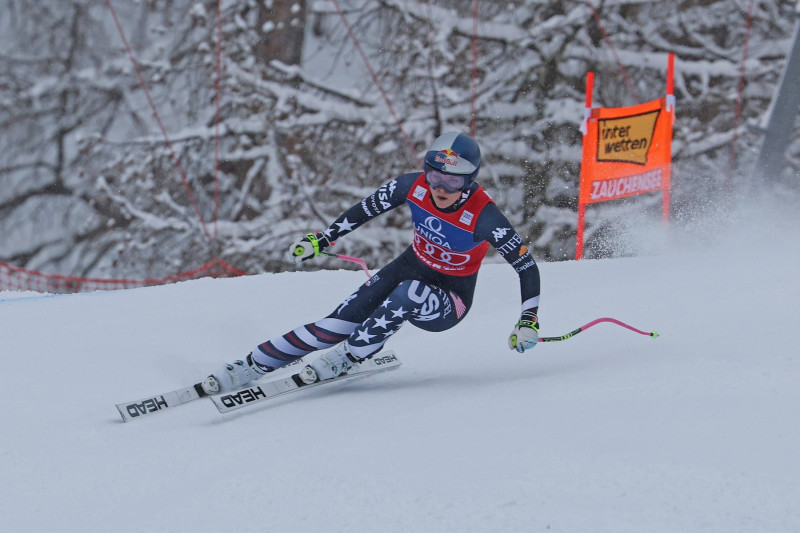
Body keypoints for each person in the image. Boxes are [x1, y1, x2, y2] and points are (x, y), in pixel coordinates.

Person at [201, 132, 541, 394]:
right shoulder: (412, 185)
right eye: (434, 176)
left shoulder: (484, 216)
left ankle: (350, 356)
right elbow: (366, 209)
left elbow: (526, 266)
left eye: (452, 181)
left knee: (411, 292)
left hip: (451, 299)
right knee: (334, 324)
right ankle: (252, 364)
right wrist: (324, 238)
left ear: (469, 181)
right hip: (410, 266)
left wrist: (528, 320)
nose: (440, 187)